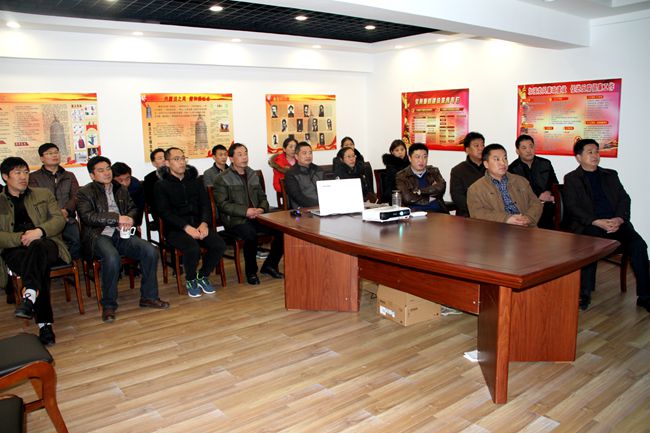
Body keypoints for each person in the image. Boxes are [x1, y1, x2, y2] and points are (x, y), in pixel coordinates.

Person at [78, 156, 169, 322]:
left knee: (150, 251)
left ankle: (149, 297)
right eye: (101, 170)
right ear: (92, 175)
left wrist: (129, 219)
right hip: (98, 235)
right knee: (111, 257)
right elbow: (88, 217)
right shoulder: (85, 192)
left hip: (122, 233)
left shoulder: (120, 189)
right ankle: (109, 304)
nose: (106, 173)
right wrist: (117, 218)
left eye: (108, 169)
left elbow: (133, 208)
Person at [563, 138, 650, 312]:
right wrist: (597, 221)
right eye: (590, 152)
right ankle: (584, 294)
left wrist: (619, 219)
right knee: (588, 246)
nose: (595, 155)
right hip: (591, 224)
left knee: (639, 245)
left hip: (616, 222)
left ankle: (645, 296)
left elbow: (624, 198)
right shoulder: (572, 178)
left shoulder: (610, 174)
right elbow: (573, 207)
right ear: (578, 157)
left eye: (597, 151)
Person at [1, 157, 70, 345]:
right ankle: (44, 324)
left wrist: (39, 232)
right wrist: (21, 237)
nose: (23, 177)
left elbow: (58, 220)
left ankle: (30, 294)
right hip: (15, 249)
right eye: (17, 173)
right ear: (5, 176)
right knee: (38, 268)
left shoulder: (43, 194)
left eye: (25, 172)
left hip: (46, 243)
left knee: (38, 248)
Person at [155, 147, 226, 297]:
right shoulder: (161, 185)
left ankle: (202, 275)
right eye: (176, 159)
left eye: (183, 158)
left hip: (199, 225)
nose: (181, 162)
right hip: (176, 229)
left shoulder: (195, 181)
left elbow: (206, 205)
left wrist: (204, 223)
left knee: (219, 244)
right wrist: (186, 227)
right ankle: (191, 279)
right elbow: (165, 213)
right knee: (192, 248)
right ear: (167, 163)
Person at [215, 143, 284, 285]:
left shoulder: (252, 174)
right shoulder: (223, 178)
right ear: (231, 158)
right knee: (250, 235)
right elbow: (223, 204)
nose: (244, 157)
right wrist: (245, 211)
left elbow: (262, 197)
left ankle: (269, 265)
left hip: (257, 216)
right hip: (235, 220)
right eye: (240, 154)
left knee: (282, 231)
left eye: (245, 153)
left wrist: (261, 209)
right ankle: (251, 272)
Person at [28, 142, 81, 259]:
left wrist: (66, 211)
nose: (54, 155)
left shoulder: (69, 175)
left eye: (56, 152)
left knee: (76, 240)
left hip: (67, 218)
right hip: (46, 221)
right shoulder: (33, 177)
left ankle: (72, 265)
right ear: (42, 158)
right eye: (49, 153)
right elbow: (35, 200)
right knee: (48, 245)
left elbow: (76, 196)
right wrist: (56, 216)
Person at [467, 143, 541, 226]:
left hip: (526, 227)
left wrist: (528, 217)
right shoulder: (475, 189)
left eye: (505, 158)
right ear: (486, 164)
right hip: (496, 229)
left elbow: (536, 203)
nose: (503, 163)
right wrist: (506, 219)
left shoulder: (521, 181)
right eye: (497, 159)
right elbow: (478, 213)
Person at [508, 134, 558, 228]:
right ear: (517, 151)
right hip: (526, 208)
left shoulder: (545, 163)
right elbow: (516, 193)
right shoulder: (512, 169)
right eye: (524, 148)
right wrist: (538, 196)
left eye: (531, 146)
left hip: (547, 207)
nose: (528, 150)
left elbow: (554, 183)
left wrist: (549, 192)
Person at [395, 143, 447, 213]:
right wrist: (430, 196)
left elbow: (441, 188)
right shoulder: (402, 176)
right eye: (417, 157)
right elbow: (408, 198)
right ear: (410, 158)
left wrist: (419, 191)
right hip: (415, 213)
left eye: (425, 157)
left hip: (438, 212)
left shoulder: (434, 171)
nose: (421, 160)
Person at [450, 132, 486, 217]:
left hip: (491, 214)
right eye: (476, 146)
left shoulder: (491, 167)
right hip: (467, 215)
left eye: (482, 145)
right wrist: (477, 210)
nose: (481, 148)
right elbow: (457, 197)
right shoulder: (458, 170)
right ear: (467, 150)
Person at [284, 142, 324, 208]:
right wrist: (317, 205)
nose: (308, 156)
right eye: (304, 153)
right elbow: (297, 197)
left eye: (310, 153)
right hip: (303, 209)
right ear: (296, 156)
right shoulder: (291, 174)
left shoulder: (318, 170)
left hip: (322, 206)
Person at [111, 162, 145, 227]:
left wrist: (136, 224)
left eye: (127, 179)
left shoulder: (136, 187)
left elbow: (139, 208)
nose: (124, 183)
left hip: (130, 221)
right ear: (112, 179)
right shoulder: (108, 186)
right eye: (120, 180)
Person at [381, 139, 410, 203]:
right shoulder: (391, 167)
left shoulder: (410, 163)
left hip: (408, 194)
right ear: (392, 152)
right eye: (397, 150)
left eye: (402, 149)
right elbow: (392, 187)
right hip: (395, 196)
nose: (400, 152)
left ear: (405, 150)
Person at [143, 147, 166, 227]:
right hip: (161, 212)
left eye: (165, 157)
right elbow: (150, 200)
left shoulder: (177, 175)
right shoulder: (149, 179)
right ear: (154, 163)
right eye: (160, 158)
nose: (164, 160)